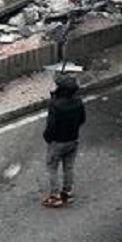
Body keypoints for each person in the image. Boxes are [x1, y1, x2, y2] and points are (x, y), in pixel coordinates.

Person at [42, 74, 86, 208]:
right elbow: (82, 119)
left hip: (58, 142)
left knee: (52, 168)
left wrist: (48, 138)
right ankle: (67, 191)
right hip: (73, 139)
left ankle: (55, 196)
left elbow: (51, 126)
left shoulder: (55, 105)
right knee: (68, 166)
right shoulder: (78, 101)